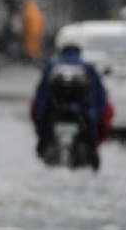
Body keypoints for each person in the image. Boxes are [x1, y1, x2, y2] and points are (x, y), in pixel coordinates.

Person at [31, 39, 112, 169]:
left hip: (55, 113)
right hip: (83, 114)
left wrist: (42, 123)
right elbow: (99, 97)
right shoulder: (88, 67)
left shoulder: (52, 65)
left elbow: (40, 97)